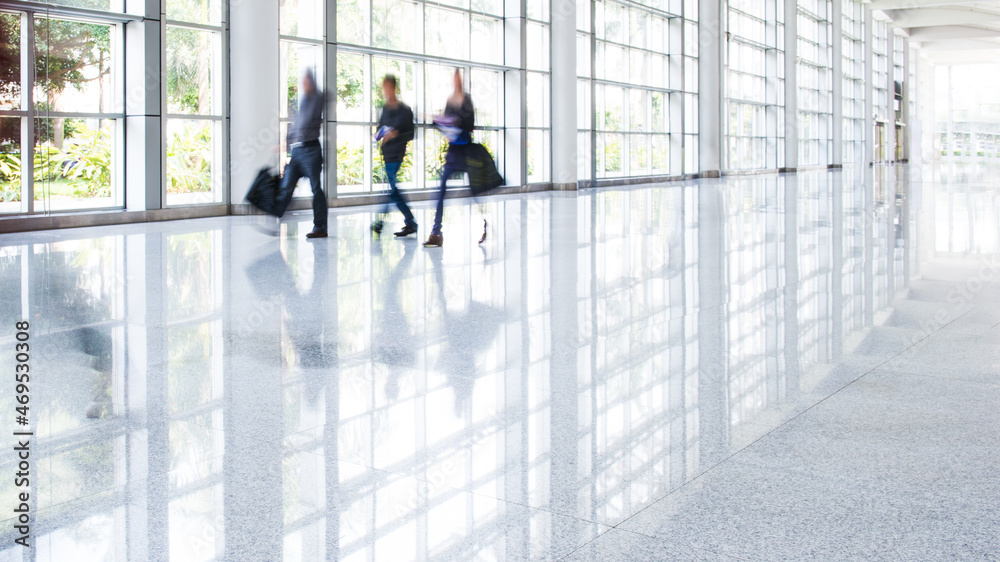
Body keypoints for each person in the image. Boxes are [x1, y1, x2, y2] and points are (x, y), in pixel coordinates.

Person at [272, 68, 328, 239]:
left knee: (316, 188)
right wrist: (286, 142)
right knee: (287, 183)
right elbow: (297, 122)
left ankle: (320, 227)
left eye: (305, 81)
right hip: (298, 150)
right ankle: (274, 215)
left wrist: (290, 140)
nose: (303, 84)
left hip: (311, 149)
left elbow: (306, 120)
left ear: (311, 81)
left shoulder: (317, 98)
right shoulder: (304, 99)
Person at [425, 69, 475, 248]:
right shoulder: (450, 100)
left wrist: (457, 123)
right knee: (442, 189)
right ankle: (436, 232)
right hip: (454, 151)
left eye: (458, 77)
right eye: (454, 78)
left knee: (476, 191)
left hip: (467, 150)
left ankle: (486, 224)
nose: (456, 81)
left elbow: (470, 125)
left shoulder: (466, 99)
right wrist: (441, 123)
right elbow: (445, 122)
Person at [372, 75, 417, 238]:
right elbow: (380, 128)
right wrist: (378, 134)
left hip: (397, 154)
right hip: (386, 153)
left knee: (392, 190)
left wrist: (395, 133)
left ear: (394, 88)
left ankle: (380, 222)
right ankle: (411, 223)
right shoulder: (385, 108)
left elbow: (411, 133)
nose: (386, 91)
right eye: (384, 88)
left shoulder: (404, 110)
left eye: (388, 87)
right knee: (393, 191)